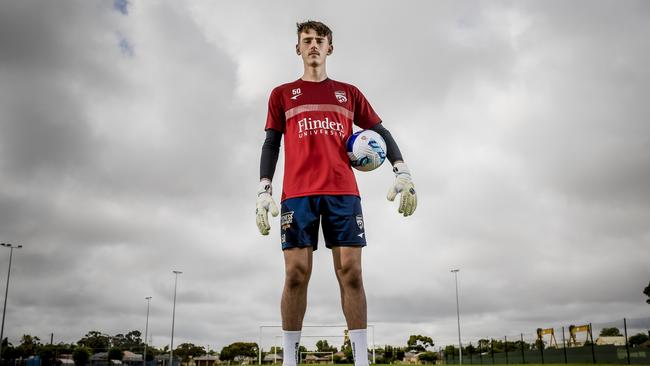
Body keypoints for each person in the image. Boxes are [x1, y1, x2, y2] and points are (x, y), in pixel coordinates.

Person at [256, 20, 417, 366]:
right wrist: (263, 189)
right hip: (297, 194)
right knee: (295, 274)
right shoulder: (282, 94)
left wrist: (401, 169)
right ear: (297, 49)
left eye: (320, 40)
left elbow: (380, 131)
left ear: (330, 47)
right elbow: (271, 142)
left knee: (352, 273)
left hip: (343, 192)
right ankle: (289, 359)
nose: (313, 45)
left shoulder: (349, 93)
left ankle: (361, 360)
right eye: (307, 40)